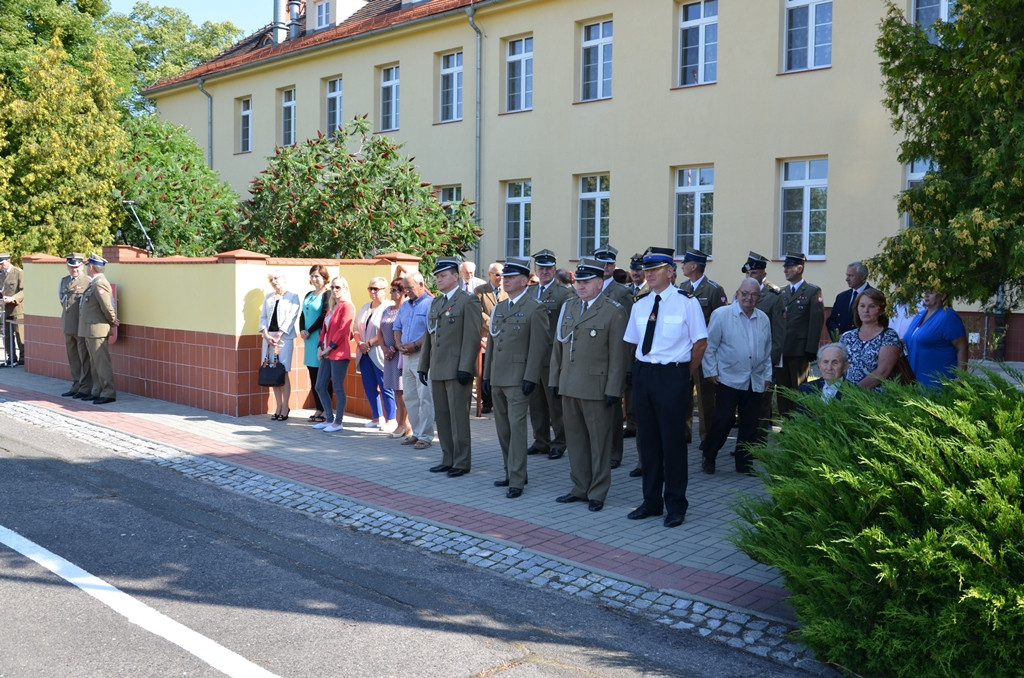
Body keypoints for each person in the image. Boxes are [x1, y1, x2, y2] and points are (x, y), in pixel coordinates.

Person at [624, 247, 707, 528]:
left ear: (670, 272)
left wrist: (684, 375)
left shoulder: (687, 302)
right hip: (645, 374)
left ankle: (675, 504)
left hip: (673, 376)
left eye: (655, 270)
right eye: (646, 271)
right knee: (647, 442)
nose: (649, 275)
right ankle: (651, 501)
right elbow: (635, 343)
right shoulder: (640, 304)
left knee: (672, 443)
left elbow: (700, 343)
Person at [550, 258, 629, 512]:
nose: (580, 287)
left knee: (599, 443)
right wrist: (554, 380)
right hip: (569, 384)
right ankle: (579, 487)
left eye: (586, 283)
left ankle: (597, 491)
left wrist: (613, 390)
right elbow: (558, 347)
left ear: (599, 282)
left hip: (597, 387)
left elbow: (619, 355)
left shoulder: (613, 310)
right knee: (575, 441)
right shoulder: (570, 306)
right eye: (578, 283)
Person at [482, 257, 549, 498]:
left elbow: (538, 347)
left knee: (517, 429)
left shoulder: (535, 307)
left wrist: (531, 377)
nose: (505, 281)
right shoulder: (500, 308)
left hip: (519, 379)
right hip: (499, 376)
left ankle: (518, 480)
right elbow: (492, 344)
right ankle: (509, 471)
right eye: (503, 277)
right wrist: (486, 376)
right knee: (503, 430)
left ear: (523, 280)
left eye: (510, 278)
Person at [700, 278, 773, 475]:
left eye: (754, 295)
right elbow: (710, 346)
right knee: (723, 420)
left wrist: (767, 375)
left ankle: (744, 463)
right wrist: (710, 371)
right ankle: (709, 455)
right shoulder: (722, 315)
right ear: (737, 294)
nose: (749, 298)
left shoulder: (763, 318)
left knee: (750, 424)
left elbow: (767, 351)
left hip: (755, 379)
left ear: (759, 297)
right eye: (745, 294)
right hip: (728, 377)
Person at [419, 257, 482, 477]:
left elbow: (472, 337)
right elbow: (429, 336)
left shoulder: (468, 301)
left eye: (443, 275)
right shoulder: (436, 303)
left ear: (456, 276)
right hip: (438, 368)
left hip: (457, 369)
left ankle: (462, 461)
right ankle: (448, 457)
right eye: (437, 276)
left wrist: (466, 367)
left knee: (458, 418)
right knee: (443, 417)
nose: (439, 280)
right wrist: (423, 365)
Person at [677, 247, 728, 447]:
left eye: (685, 263)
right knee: (683, 392)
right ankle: (683, 431)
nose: (682, 266)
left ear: (694, 266)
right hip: (683, 350)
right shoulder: (682, 287)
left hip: (704, 351)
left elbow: (721, 322)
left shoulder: (714, 290)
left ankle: (707, 436)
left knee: (705, 397)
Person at [527, 249, 575, 459]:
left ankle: (560, 442)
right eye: (541, 268)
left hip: (551, 356)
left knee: (554, 403)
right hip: (531, 356)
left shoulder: (564, 293)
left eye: (548, 268)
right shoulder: (528, 292)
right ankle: (541, 441)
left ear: (554, 269)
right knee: (536, 403)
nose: (544, 271)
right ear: (535, 269)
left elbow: (566, 327)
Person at [777, 252, 825, 415]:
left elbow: (816, 321)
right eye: (785, 267)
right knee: (782, 391)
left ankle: (800, 422)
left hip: (799, 349)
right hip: (782, 350)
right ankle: (786, 424)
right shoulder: (781, 293)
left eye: (789, 267)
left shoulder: (812, 291)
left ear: (800, 268)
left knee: (798, 390)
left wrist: (811, 348)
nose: (785, 270)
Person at [744, 251, 784, 440]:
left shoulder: (774, 295)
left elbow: (778, 332)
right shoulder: (742, 291)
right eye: (748, 274)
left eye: (754, 274)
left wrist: (772, 360)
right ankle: (745, 439)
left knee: (762, 401)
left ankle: (758, 441)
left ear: (763, 274)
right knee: (744, 402)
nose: (750, 277)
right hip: (743, 357)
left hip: (763, 358)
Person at [394, 271, 435, 449]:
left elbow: (431, 331)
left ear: (421, 285)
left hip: (422, 355)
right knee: (410, 396)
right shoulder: (405, 306)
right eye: (405, 288)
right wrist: (398, 344)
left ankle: (425, 436)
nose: (407, 291)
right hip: (406, 356)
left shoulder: (430, 304)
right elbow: (397, 327)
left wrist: (416, 345)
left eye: (410, 287)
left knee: (425, 396)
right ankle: (416, 432)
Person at [313, 277, 355, 432]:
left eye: (338, 287)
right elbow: (324, 329)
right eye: (332, 287)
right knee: (320, 386)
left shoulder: (347, 306)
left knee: (337, 387)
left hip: (338, 353)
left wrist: (328, 348)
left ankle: (338, 422)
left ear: (345, 288)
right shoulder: (332, 306)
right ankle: (329, 419)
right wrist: (320, 347)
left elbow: (343, 330)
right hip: (326, 352)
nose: (335, 290)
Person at [355, 276, 397, 431]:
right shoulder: (365, 307)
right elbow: (355, 328)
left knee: (386, 385)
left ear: (384, 290)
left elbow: (387, 331)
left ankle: (391, 418)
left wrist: (370, 343)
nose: (372, 291)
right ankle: (376, 416)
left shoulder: (389, 307)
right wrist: (360, 343)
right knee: (369, 385)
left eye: (376, 289)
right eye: (370, 288)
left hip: (379, 352)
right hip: (364, 352)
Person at [838, 288, 900, 390]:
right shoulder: (847, 336)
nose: (866, 310)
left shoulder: (889, 336)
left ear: (880, 310)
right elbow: (837, 365)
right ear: (857, 309)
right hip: (845, 393)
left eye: (872, 306)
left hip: (873, 398)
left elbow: (882, 372)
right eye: (862, 306)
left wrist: (855, 392)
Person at [904, 290, 968, 389]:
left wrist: (960, 379)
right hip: (915, 380)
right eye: (925, 292)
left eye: (932, 292)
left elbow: (962, 348)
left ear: (943, 296)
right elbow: (910, 339)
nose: (926, 295)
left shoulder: (948, 316)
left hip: (937, 382)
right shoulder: (920, 315)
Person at [77, 254, 119, 404]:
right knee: (94, 363)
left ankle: (108, 392)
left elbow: (107, 306)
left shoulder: (100, 283)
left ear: (91, 267)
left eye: (88, 265)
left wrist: (112, 320)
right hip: (91, 329)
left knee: (101, 363)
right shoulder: (94, 283)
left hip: (97, 329)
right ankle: (97, 390)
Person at [259, 272, 301, 420]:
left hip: (284, 338)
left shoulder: (293, 297)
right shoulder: (268, 297)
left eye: (276, 278)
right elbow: (263, 316)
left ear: (284, 279)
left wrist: (279, 334)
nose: (274, 282)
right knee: (272, 371)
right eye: (271, 280)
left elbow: (291, 317)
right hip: (269, 338)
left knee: (283, 371)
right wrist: (266, 334)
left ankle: (285, 406)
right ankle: (278, 405)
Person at [380, 278, 412, 438]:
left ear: (403, 292)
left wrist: (397, 347)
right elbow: (380, 332)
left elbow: (405, 329)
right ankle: (403, 424)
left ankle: (404, 423)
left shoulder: (406, 309)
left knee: (402, 391)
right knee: (395, 390)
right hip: (389, 355)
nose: (391, 292)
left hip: (400, 353)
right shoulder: (387, 309)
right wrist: (385, 348)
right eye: (391, 289)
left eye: (395, 290)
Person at [299, 264, 330, 423]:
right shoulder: (309, 294)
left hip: (319, 338)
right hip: (308, 340)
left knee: (323, 377)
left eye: (317, 276)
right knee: (313, 374)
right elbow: (303, 315)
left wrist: (310, 330)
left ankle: (326, 409)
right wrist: (302, 330)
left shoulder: (327, 295)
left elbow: (324, 316)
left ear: (325, 278)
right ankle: (318, 408)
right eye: (312, 276)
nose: (314, 279)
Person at [58, 253, 92, 398]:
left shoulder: (88, 281)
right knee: (73, 356)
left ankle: (85, 387)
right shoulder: (63, 281)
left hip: (81, 324)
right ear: (67, 266)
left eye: (77, 267)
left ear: (82, 266)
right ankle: (76, 384)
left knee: (83, 356)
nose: (74, 270)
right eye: (71, 267)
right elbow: (61, 300)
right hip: (68, 324)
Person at [474, 262, 506, 414]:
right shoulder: (480, 291)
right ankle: (486, 402)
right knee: (485, 369)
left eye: (502, 274)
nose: (501, 277)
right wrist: (492, 322)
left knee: (500, 368)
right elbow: (477, 312)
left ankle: (501, 400)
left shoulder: (507, 290)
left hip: (504, 336)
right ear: (490, 275)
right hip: (485, 336)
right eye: (497, 274)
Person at [825, 261, 873, 338]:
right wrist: (839, 336)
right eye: (847, 275)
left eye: (851, 276)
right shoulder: (841, 297)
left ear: (863, 276)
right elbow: (831, 321)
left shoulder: (874, 296)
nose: (847, 279)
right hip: (841, 344)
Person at [1, 253, 25, 365]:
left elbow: (24, 290)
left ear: (9, 261)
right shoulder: (1, 274)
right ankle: (11, 358)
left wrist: (13, 298)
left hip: (17, 308)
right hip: (5, 308)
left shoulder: (18, 273)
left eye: (2, 263)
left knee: (20, 333)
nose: (1, 266)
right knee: (6, 334)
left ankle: (23, 358)